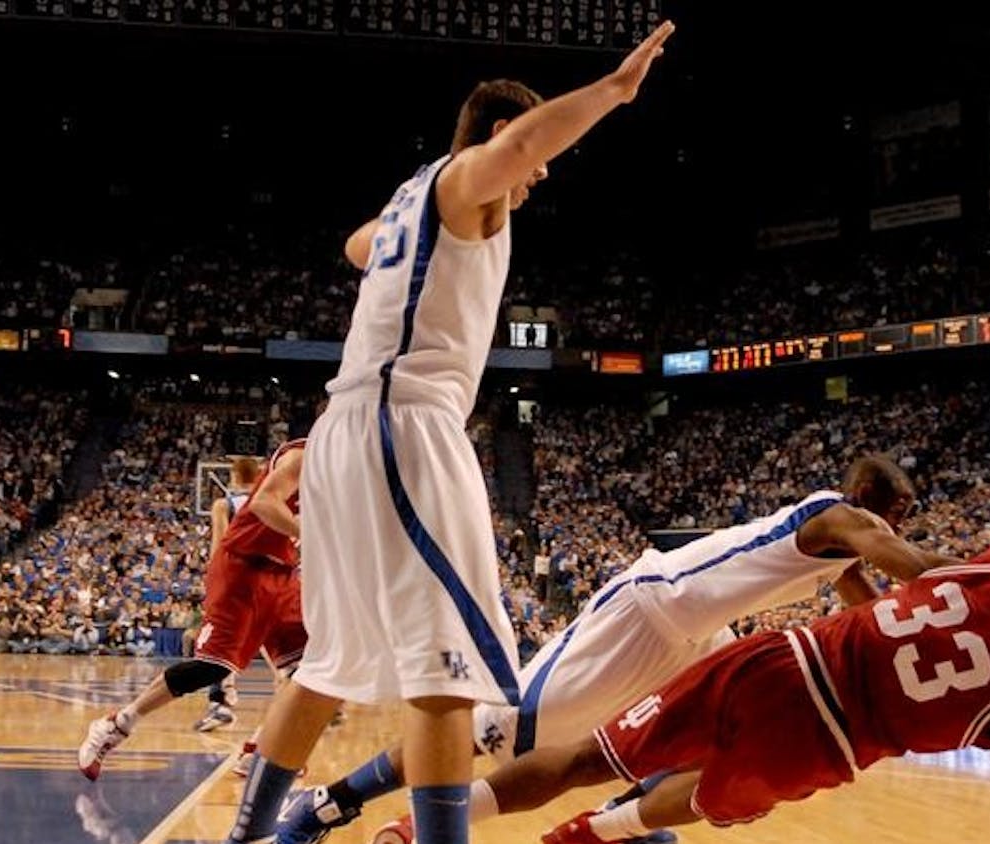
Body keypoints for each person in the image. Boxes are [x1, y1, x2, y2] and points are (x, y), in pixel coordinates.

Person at [217, 22, 678, 844]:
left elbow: (358, 246)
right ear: (500, 136)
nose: (540, 172)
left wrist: (402, 241)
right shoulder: (468, 179)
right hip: (405, 425)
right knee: (446, 671)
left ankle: (247, 836)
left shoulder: (417, 195)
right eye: (531, 156)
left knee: (328, 664)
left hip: (347, 430)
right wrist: (613, 90)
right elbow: (521, 145)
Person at [278, 456, 960, 844]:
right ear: (876, 501)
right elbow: (906, 566)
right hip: (648, 609)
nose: (898, 521)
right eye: (899, 510)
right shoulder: (846, 518)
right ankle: (332, 803)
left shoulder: (835, 543)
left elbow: (873, 604)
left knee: (728, 730)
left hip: (695, 635)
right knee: (500, 732)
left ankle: (622, 822)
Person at [456, 546, 990, 844]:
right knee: (706, 799)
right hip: (822, 737)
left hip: (780, 656)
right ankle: (590, 834)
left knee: (588, 758)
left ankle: (427, 824)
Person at [77, 441, 305, 780]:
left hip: (282, 575)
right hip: (241, 568)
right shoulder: (304, 456)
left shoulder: (356, 474)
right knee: (211, 667)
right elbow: (264, 502)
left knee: (309, 668)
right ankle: (117, 724)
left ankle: (260, 749)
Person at [195, 457, 262, 734]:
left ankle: (220, 704)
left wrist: (214, 583)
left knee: (220, 644)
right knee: (271, 644)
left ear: (233, 476)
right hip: (268, 577)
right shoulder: (268, 501)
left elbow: (220, 547)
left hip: (235, 578)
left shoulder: (224, 505)